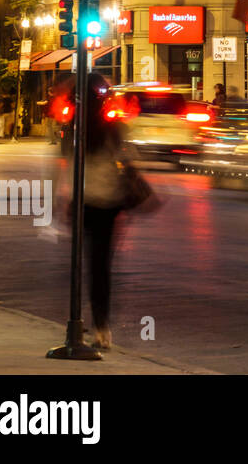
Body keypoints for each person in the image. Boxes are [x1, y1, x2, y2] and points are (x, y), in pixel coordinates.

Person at [80, 71, 144, 351]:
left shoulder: (77, 127)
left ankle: (83, 318)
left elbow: (67, 166)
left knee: (85, 261)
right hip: (109, 200)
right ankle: (101, 327)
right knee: (102, 265)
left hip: (85, 199)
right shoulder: (112, 127)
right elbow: (129, 158)